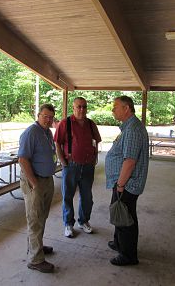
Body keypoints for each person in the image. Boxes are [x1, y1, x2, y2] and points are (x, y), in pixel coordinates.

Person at [105, 96, 149, 266]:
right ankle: (118, 243)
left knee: (126, 218)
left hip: (127, 183)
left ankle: (128, 255)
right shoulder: (129, 127)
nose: (112, 110)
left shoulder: (132, 129)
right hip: (123, 182)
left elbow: (130, 161)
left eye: (115, 106)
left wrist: (121, 185)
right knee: (119, 213)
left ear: (126, 108)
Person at [54, 97, 101, 238]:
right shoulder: (65, 123)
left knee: (87, 196)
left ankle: (84, 221)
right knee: (68, 196)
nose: (82, 109)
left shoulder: (91, 124)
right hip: (71, 166)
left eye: (84, 107)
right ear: (73, 108)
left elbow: (95, 142)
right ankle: (68, 224)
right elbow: (57, 143)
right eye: (79, 106)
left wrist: (95, 157)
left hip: (88, 166)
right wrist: (63, 161)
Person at [18, 104, 57, 273]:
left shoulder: (47, 132)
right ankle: (35, 259)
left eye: (51, 117)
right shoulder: (31, 133)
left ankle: (37, 247)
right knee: (34, 219)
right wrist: (34, 183)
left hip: (46, 179)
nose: (48, 120)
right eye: (45, 116)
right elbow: (23, 159)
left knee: (41, 216)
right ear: (38, 115)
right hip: (35, 181)